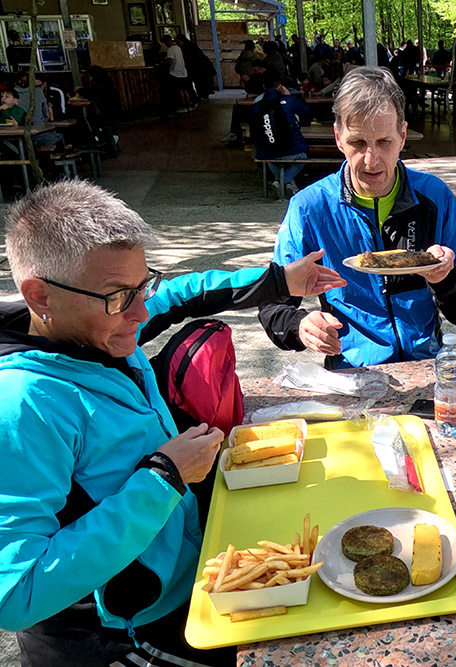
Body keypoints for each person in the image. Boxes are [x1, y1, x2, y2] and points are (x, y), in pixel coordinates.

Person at [0, 180, 344, 666]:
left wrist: (278, 282)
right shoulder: (22, 406)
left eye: (142, 285)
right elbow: (16, 596)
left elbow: (181, 294)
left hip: (186, 584)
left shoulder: (97, 324)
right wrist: (163, 477)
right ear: (40, 296)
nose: (141, 312)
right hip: (123, 637)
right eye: (120, 296)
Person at [258, 67, 456, 369]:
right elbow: (272, 306)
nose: (371, 159)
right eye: (358, 143)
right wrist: (299, 325)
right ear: (338, 138)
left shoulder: (435, 197)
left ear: (402, 136)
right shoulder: (310, 208)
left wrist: (446, 278)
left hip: (425, 365)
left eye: (384, 142)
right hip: (352, 370)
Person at [251, 73, 311, 198]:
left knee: (268, 156)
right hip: (293, 150)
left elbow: (254, 131)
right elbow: (306, 112)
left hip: (267, 153)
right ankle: (285, 181)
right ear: (280, 86)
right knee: (303, 156)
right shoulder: (288, 101)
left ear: (264, 86)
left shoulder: (257, 106)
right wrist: (289, 97)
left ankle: (278, 181)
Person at [163, 35, 195, 113]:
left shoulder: (170, 49)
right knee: (185, 90)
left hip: (175, 73)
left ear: (167, 41)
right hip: (183, 72)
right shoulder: (178, 48)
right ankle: (188, 106)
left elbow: (170, 61)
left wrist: (164, 63)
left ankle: (183, 106)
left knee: (180, 91)